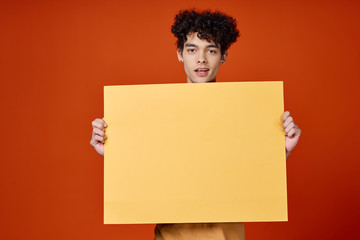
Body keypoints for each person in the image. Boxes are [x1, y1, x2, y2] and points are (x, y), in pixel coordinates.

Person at [90, 9, 301, 240]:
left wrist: (283, 149)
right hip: (172, 236)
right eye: (192, 50)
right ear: (180, 54)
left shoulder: (243, 114)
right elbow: (146, 171)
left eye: (211, 50)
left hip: (226, 235)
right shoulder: (156, 114)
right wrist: (110, 151)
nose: (201, 59)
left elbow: (254, 174)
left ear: (224, 56)